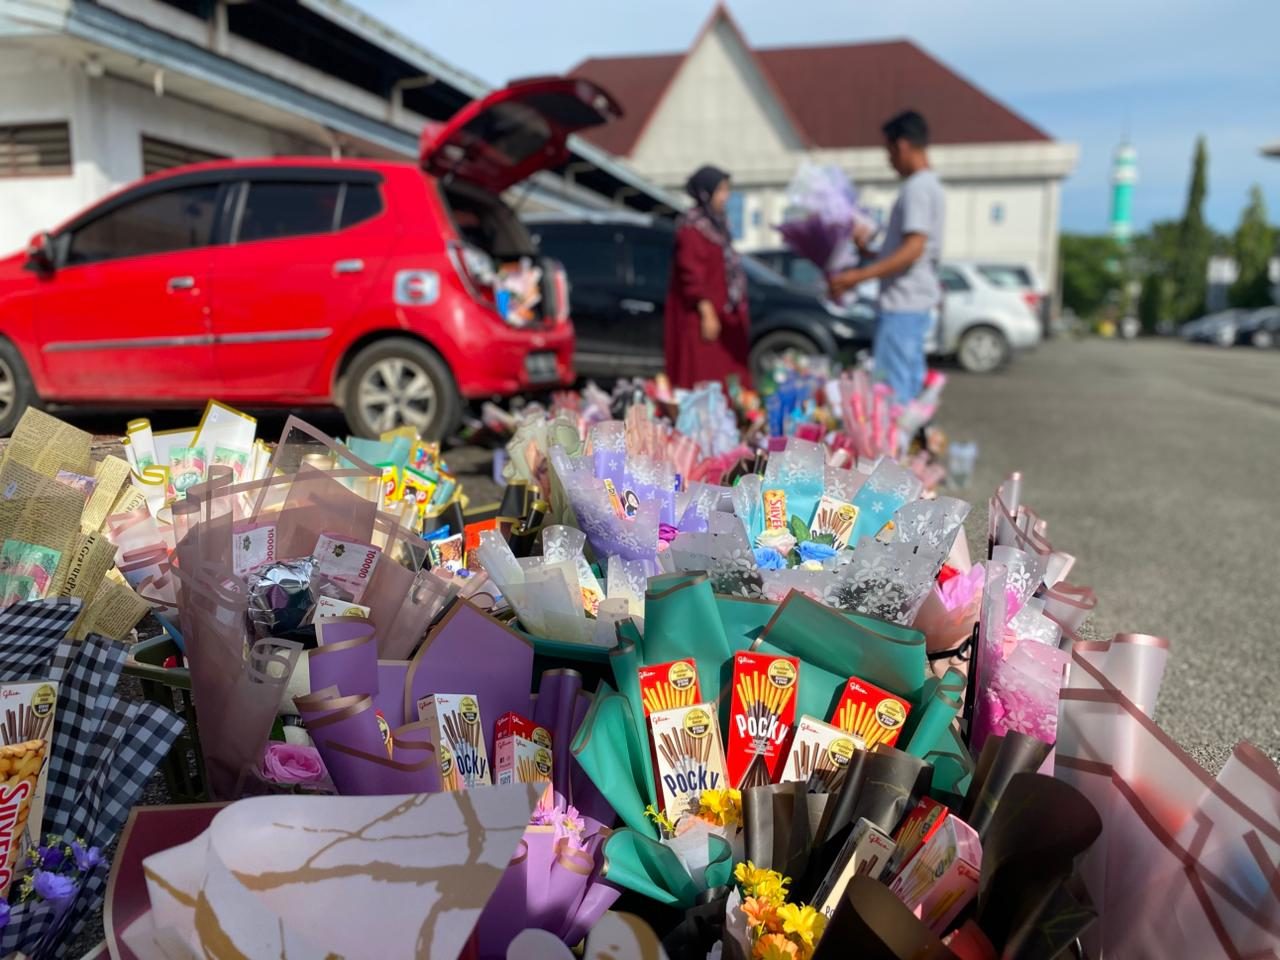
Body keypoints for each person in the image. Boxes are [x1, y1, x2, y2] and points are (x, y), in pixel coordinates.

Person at [830, 110, 944, 403]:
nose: (889, 160)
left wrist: (858, 277)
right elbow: (907, 248)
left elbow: (913, 248)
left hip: (903, 303)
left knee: (894, 394)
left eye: (889, 151)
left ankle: (895, 448)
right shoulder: (929, 185)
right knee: (906, 385)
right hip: (911, 302)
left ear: (903, 145)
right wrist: (868, 251)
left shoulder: (917, 188)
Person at [665, 165, 752, 389]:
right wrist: (707, 312)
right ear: (706, 193)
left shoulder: (717, 226)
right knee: (703, 379)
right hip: (701, 318)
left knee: (729, 379)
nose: (726, 196)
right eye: (721, 190)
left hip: (724, 315)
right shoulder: (692, 228)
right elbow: (691, 274)